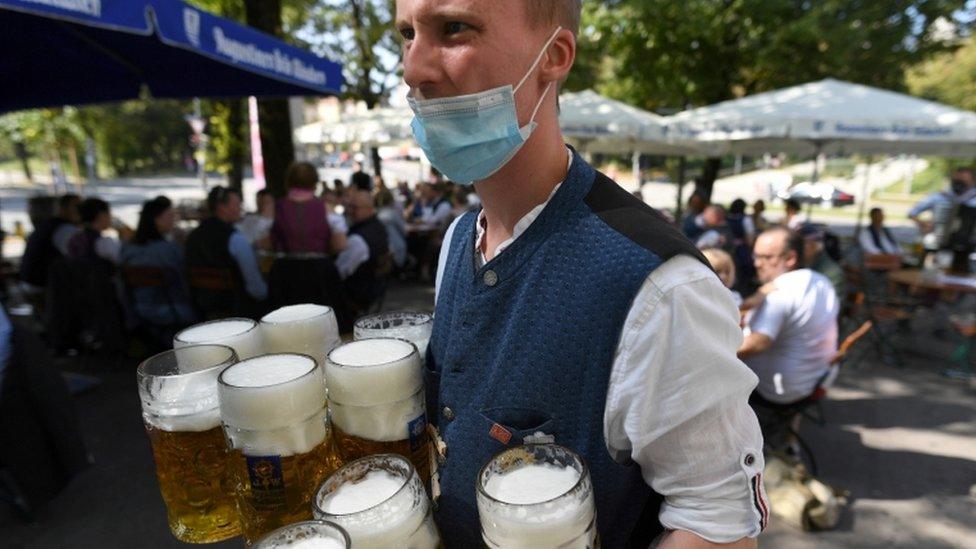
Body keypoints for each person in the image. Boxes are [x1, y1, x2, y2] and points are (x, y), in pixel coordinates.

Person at [400, 1, 766, 546]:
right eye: (406, 35)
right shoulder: (458, 239)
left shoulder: (658, 286)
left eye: (454, 28)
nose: (414, 69)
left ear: (554, 56)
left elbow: (718, 521)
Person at [738, 227, 839, 446]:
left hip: (776, 392)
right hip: (814, 380)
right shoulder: (821, 281)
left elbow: (756, 344)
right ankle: (789, 441)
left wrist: (709, 350)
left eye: (765, 257)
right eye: (755, 256)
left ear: (791, 258)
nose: (756, 263)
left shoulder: (780, 295)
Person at [184, 186, 268, 310]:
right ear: (222, 207)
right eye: (237, 204)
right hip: (236, 307)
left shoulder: (193, 236)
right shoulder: (235, 238)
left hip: (200, 307)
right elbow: (256, 288)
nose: (240, 209)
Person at [120, 197, 196, 328]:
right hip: (174, 310)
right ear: (157, 219)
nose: (173, 219)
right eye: (170, 216)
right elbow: (186, 279)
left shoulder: (127, 249)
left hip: (139, 309)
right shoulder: (171, 249)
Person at [336, 189, 390, 314]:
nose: (350, 211)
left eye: (354, 208)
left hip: (358, 295)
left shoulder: (358, 239)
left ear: (369, 208)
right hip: (374, 288)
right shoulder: (379, 227)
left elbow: (338, 272)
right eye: (350, 206)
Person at [272, 162, 337, 254]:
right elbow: (340, 245)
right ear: (315, 182)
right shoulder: (326, 209)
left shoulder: (275, 208)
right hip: (319, 264)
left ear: (288, 181)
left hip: (285, 265)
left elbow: (266, 244)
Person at [19, 194, 81, 288]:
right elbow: (81, 258)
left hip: (33, 282)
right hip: (41, 286)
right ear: (62, 208)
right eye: (78, 207)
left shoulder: (49, 225)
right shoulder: (64, 229)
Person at [907, 167, 976, 246]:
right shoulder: (939, 196)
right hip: (938, 240)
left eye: (963, 181)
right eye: (956, 181)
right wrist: (923, 223)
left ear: (972, 182)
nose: (959, 184)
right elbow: (912, 213)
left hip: (970, 243)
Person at [66, 198, 122, 265]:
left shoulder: (74, 238)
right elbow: (122, 259)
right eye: (109, 213)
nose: (110, 217)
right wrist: (121, 231)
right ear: (101, 215)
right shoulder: (104, 243)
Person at [800, 224, 846, 302]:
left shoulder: (832, 273)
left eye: (800, 246)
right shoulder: (798, 264)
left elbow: (830, 308)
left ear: (814, 246)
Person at [375, 187, 408, 268]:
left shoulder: (375, 214)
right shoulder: (392, 213)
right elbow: (404, 230)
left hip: (381, 249)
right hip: (396, 247)